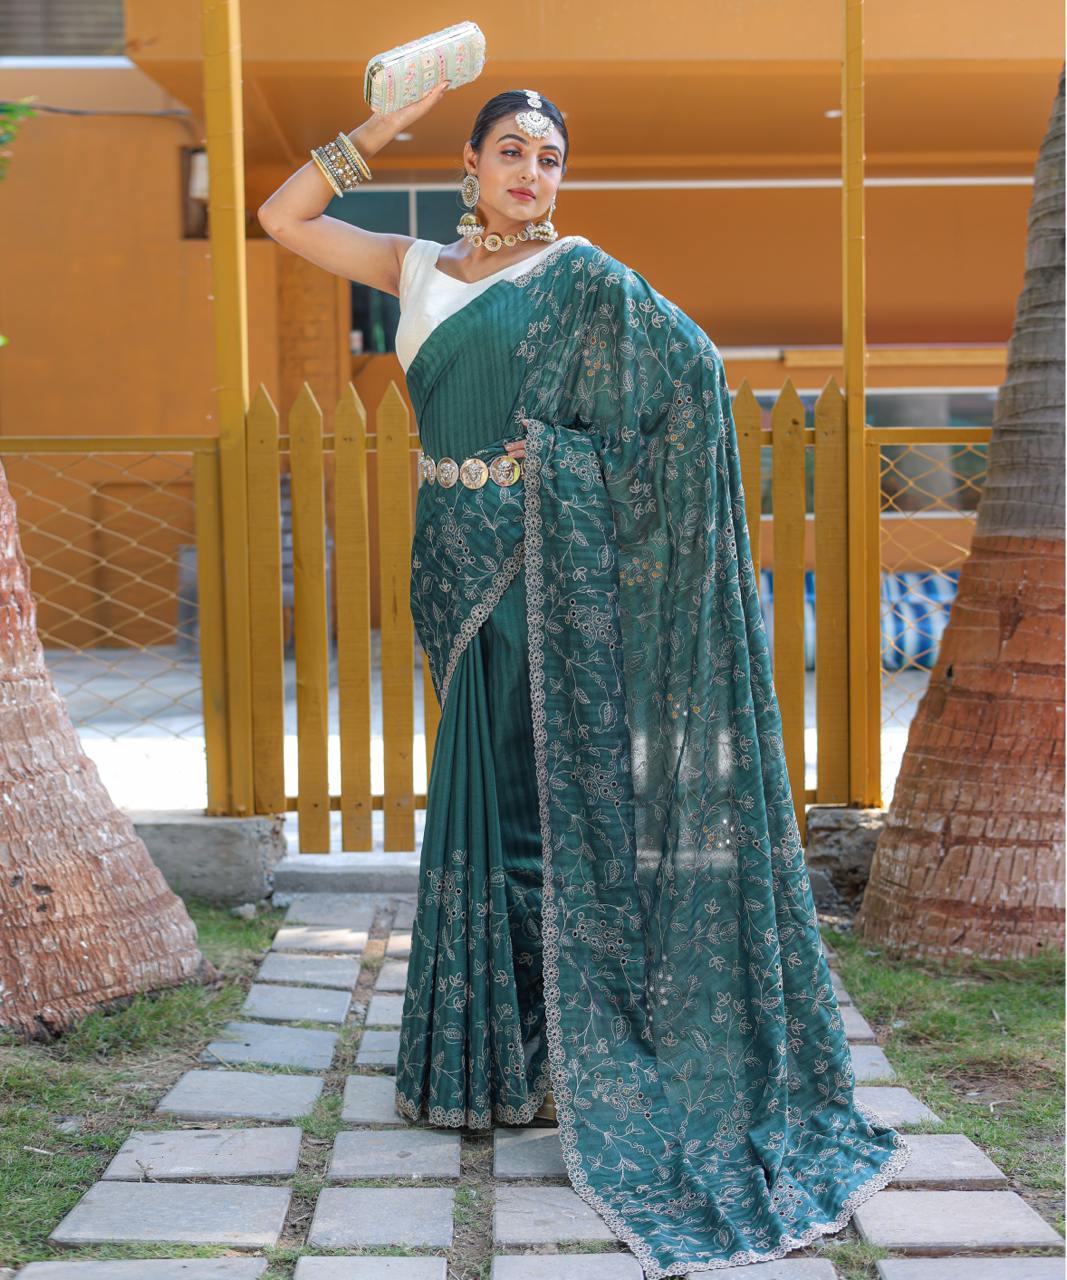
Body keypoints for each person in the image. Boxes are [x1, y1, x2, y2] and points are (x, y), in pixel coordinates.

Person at [257, 78, 912, 1280]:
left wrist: (557, 455)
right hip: (446, 566)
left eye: (549, 157)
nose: (531, 172)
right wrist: (379, 127)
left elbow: (689, 377)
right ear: (468, 162)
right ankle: (484, 1057)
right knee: (480, 793)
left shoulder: (583, 276)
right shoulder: (413, 267)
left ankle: (550, 1054)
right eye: (510, 149)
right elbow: (280, 218)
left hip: (541, 564)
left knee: (532, 803)